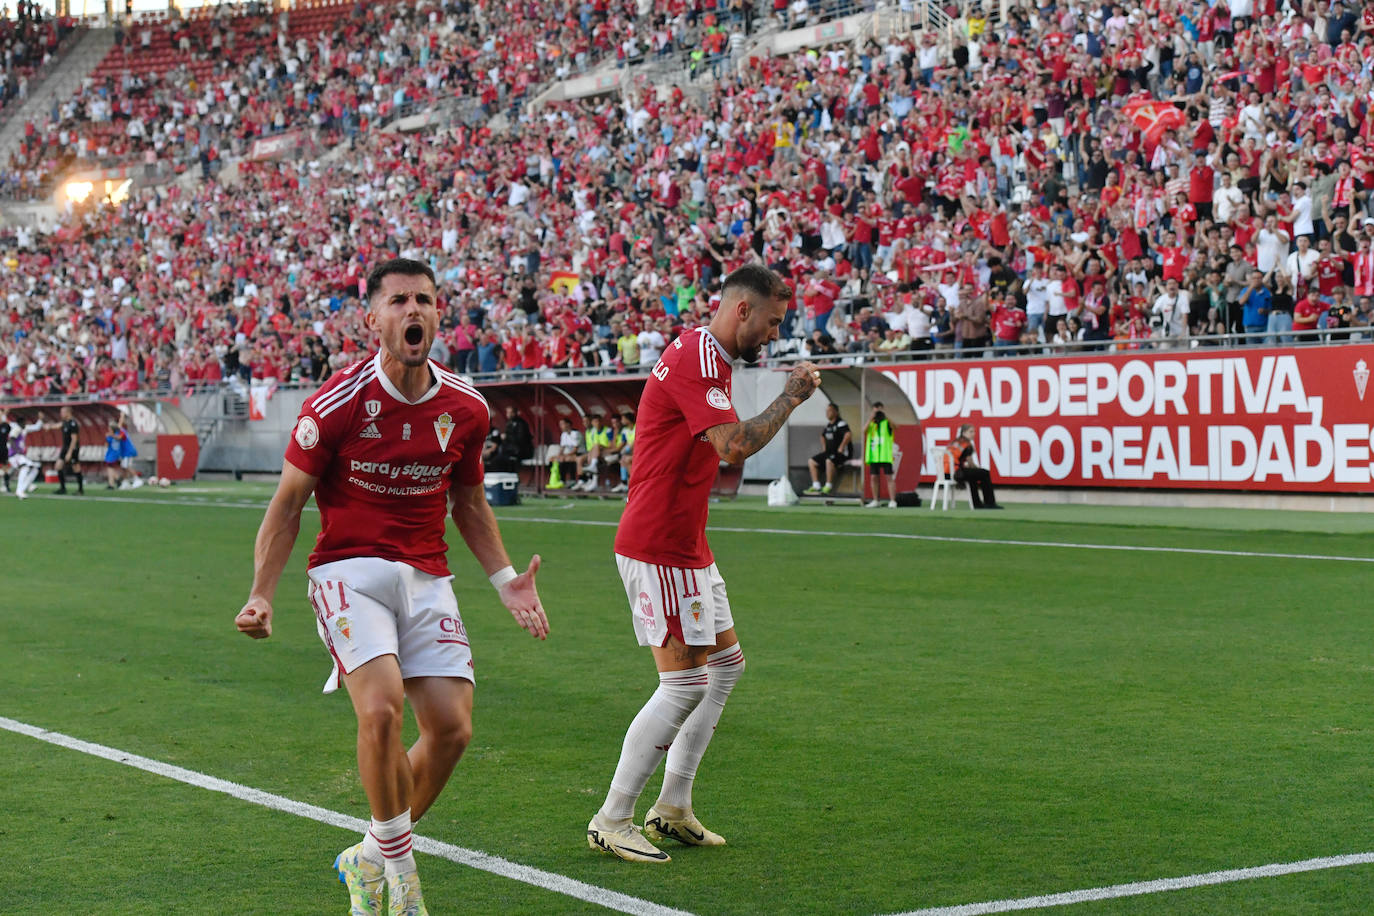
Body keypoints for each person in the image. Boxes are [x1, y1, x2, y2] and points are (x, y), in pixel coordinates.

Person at [234, 258, 550, 916]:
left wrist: (503, 579)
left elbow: (468, 502)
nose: (415, 311)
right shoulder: (336, 404)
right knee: (379, 711)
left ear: (440, 316)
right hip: (347, 569)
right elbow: (289, 505)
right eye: (400, 300)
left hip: (427, 575)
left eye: (426, 300)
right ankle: (402, 884)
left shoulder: (466, 407)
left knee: (453, 729)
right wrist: (262, 591)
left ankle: (370, 852)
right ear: (372, 319)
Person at [587, 264, 821, 863]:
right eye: (770, 321)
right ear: (741, 310)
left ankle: (673, 806)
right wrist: (792, 395)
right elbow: (733, 446)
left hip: (687, 544)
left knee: (727, 666)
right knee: (685, 681)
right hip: (658, 543)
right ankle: (613, 816)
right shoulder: (698, 355)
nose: (773, 335)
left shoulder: (705, 356)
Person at [945, 424, 1001, 509]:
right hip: (956, 473)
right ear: (963, 433)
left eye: (974, 431)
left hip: (946, 473)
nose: (973, 434)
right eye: (970, 431)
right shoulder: (966, 444)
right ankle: (990, 503)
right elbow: (971, 464)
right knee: (984, 473)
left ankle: (977, 504)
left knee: (972, 475)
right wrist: (978, 469)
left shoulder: (955, 442)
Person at [805, 402, 852, 494]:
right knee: (811, 461)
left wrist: (842, 446)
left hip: (841, 454)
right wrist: (824, 447)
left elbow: (848, 434)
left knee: (829, 461)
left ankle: (828, 486)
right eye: (826, 411)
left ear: (836, 412)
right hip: (829, 452)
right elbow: (822, 436)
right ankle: (816, 485)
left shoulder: (841, 423)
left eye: (829, 411)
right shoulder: (828, 425)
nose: (827, 413)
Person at [863, 402, 897, 508]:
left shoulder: (886, 422)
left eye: (879, 410)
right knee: (874, 478)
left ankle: (892, 501)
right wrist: (871, 418)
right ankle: (875, 500)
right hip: (874, 456)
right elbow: (864, 431)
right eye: (876, 410)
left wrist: (885, 415)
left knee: (889, 477)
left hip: (885, 455)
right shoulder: (872, 424)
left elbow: (895, 426)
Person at [8, 412, 43, 500]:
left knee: (35, 468)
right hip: (14, 455)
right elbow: (11, 440)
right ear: (21, 423)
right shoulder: (16, 429)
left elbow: (36, 427)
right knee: (25, 467)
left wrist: (40, 420)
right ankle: (20, 490)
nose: (26, 424)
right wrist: (17, 451)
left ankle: (22, 489)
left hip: (19, 455)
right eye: (25, 423)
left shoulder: (22, 429)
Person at [54, 405, 83, 495]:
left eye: (62, 412)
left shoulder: (73, 424)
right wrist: (47, 426)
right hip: (65, 447)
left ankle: (80, 490)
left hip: (73, 448)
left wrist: (69, 453)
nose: (61, 414)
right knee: (58, 466)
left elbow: (74, 439)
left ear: (68, 413)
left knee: (76, 468)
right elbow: (57, 425)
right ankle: (63, 488)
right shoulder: (65, 422)